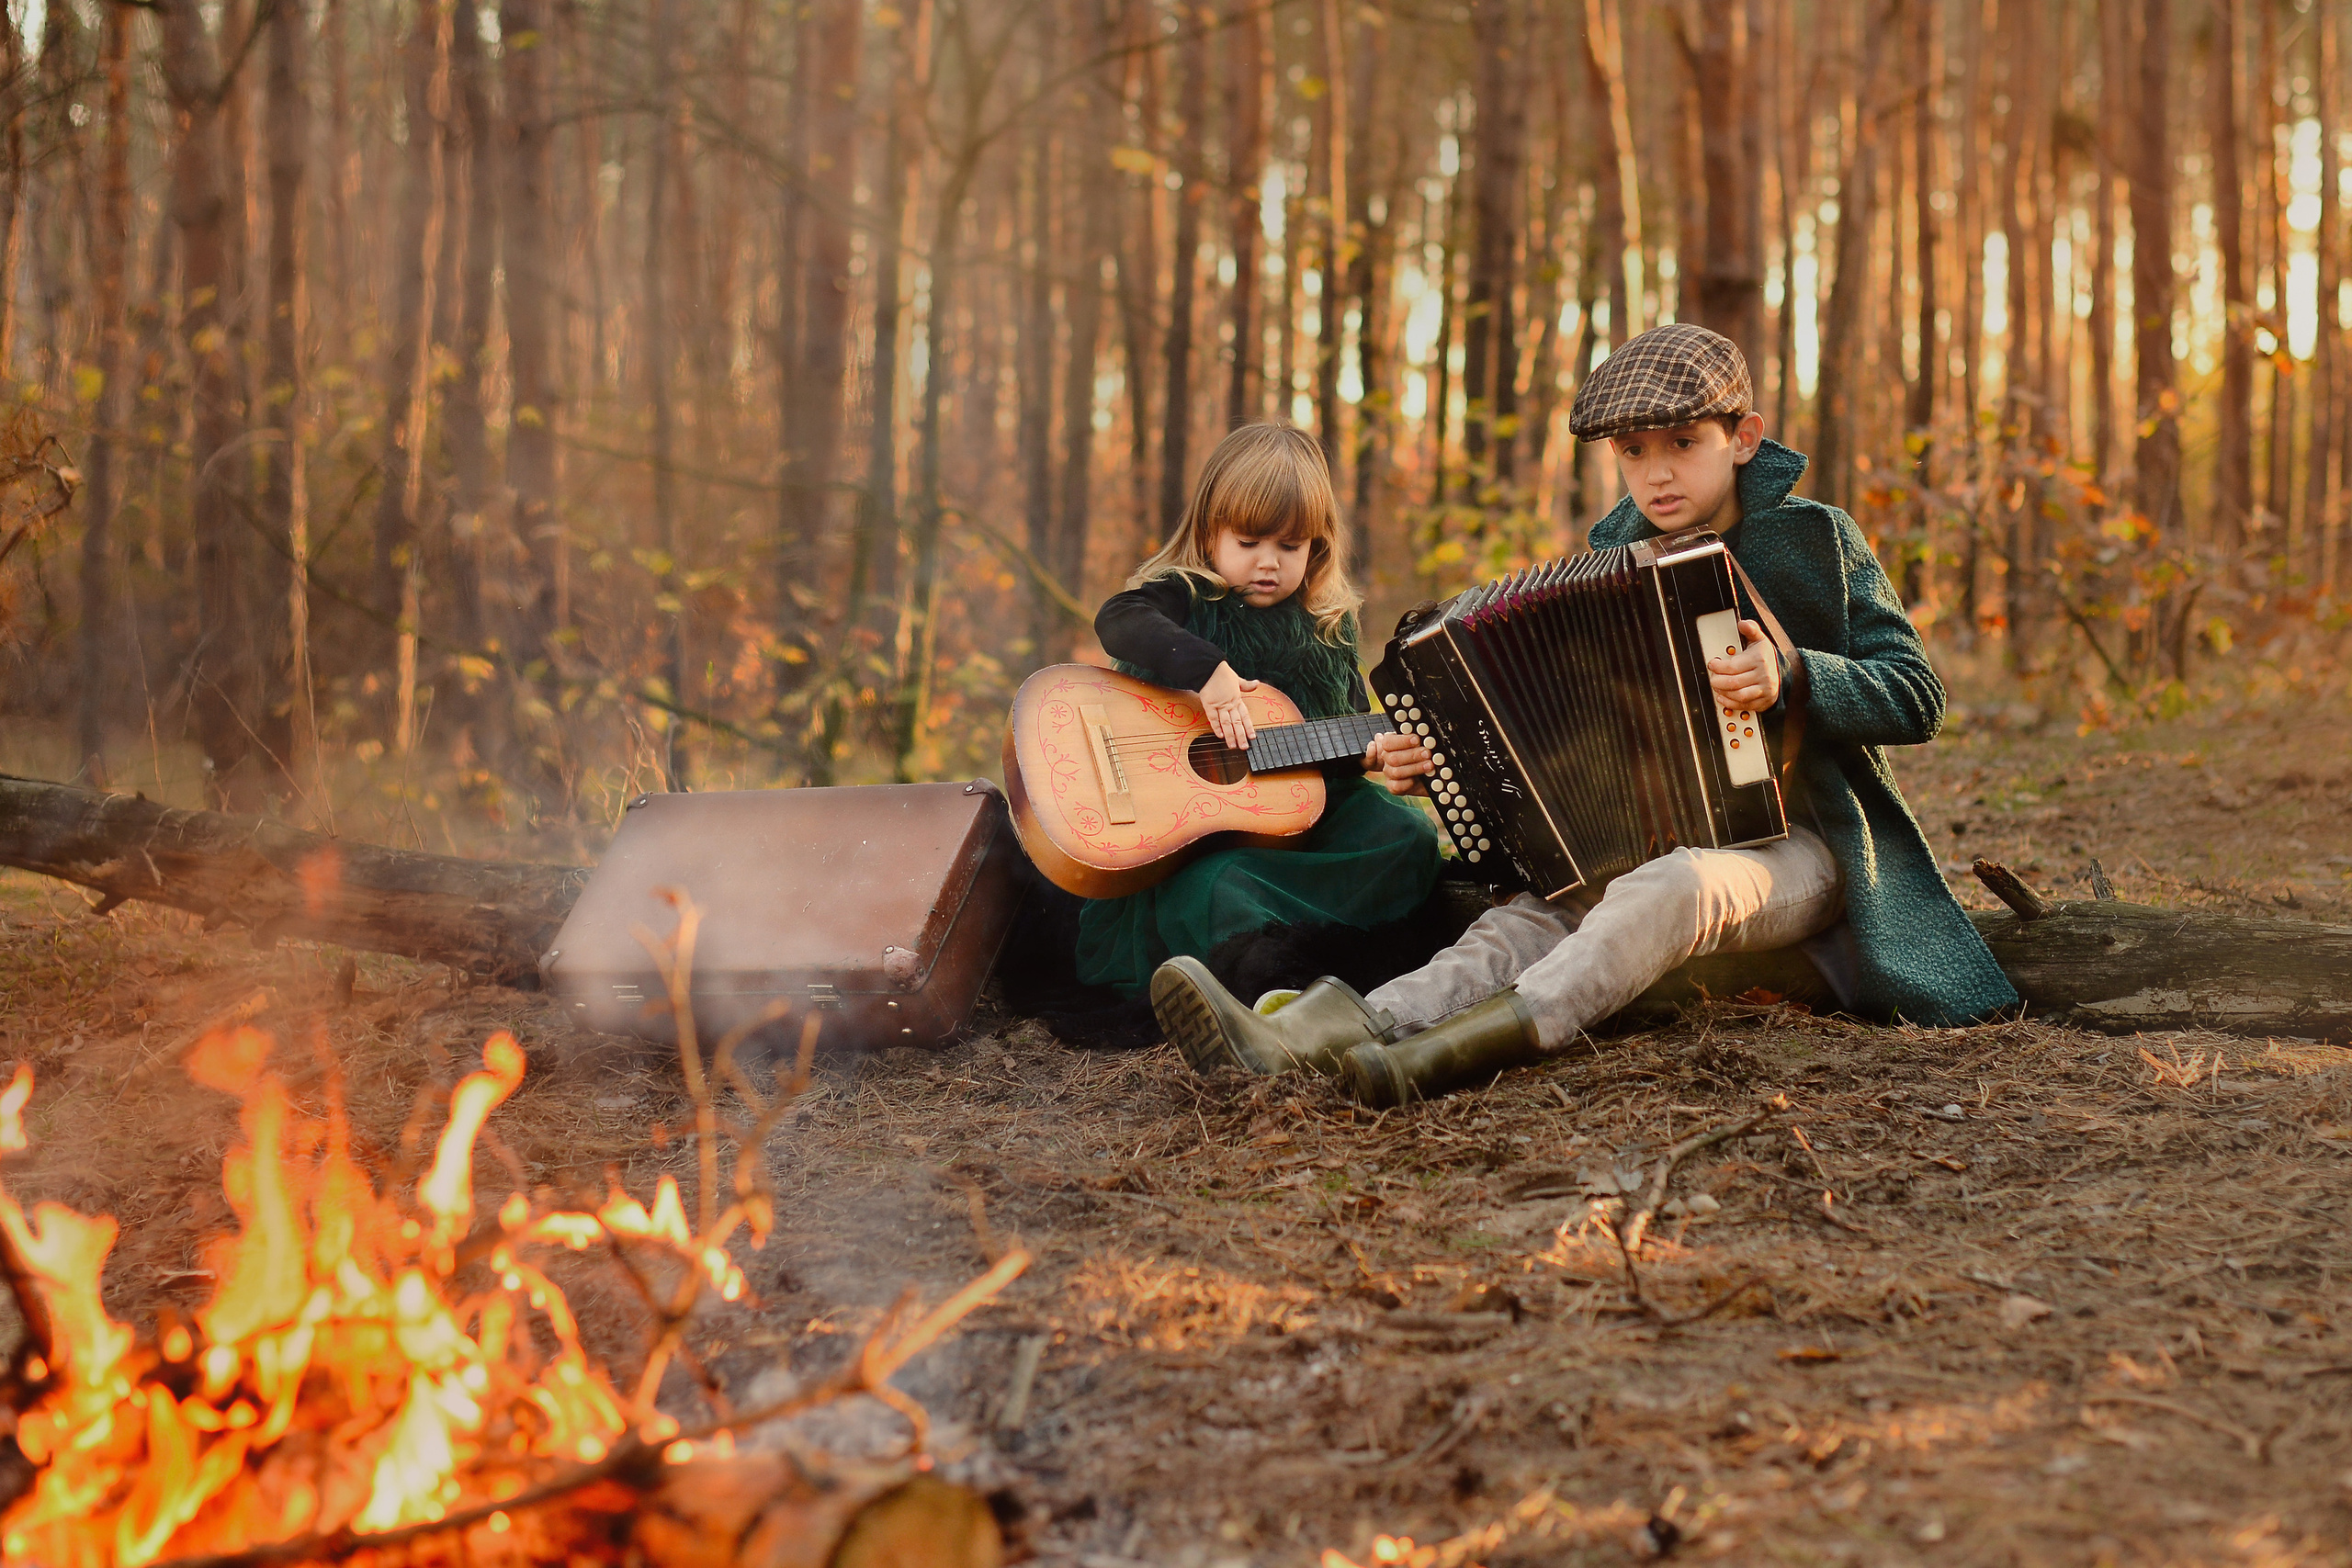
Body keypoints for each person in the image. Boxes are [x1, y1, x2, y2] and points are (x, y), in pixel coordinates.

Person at [1148, 324, 2018, 1101]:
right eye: (1635, 452)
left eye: (1684, 442)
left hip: (1800, 844)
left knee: (1673, 887)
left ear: (1744, 437)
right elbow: (1566, 738)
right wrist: (1459, 770)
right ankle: (1303, 1036)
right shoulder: (1614, 560)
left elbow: (1917, 691)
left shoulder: (1820, 539)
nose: (1659, 470)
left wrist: (1793, 673)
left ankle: (1435, 1059)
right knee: (1516, 922)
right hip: (1638, 833)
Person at [1076, 423, 1442, 996]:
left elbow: (1334, 741)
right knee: (1217, 886)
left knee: (1406, 838)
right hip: (1200, 838)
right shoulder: (1189, 596)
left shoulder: (1327, 624)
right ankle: (1263, 969)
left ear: (1316, 547)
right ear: (1210, 534)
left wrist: (1373, 756)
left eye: (1289, 547)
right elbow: (1117, 619)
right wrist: (1208, 673)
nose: (1267, 563)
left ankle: (1298, 954)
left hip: (1299, 824)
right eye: (1248, 544)